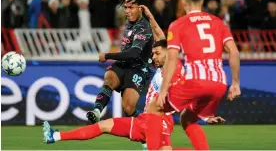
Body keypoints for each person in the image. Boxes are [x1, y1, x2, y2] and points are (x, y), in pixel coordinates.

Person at [43, 39, 224, 150]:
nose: (153, 56)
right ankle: (55, 136)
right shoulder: (164, 67)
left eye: (157, 53)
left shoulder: (175, 67)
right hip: (145, 120)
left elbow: (186, 95)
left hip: (159, 121)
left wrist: (203, 116)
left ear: (169, 51)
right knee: (103, 125)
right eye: (153, 53)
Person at [147, 0, 241, 150]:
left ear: (183, 2)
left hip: (196, 82)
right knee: (188, 118)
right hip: (219, 85)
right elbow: (233, 51)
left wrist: (163, 91)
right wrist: (235, 83)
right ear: (202, 1)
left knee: (154, 107)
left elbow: (171, 58)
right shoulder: (217, 22)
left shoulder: (178, 24)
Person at [86, 0, 154, 124]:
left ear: (140, 8)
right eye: (126, 7)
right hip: (123, 64)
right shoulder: (128, 23)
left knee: (128, 108)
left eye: (131, 7)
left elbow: (134, 53)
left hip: (138, 69)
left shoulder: (144, 27)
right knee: (110, 76)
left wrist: (108, 56)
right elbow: (126, 48)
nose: (127, 11)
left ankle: (146, 133)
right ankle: (96, 111)